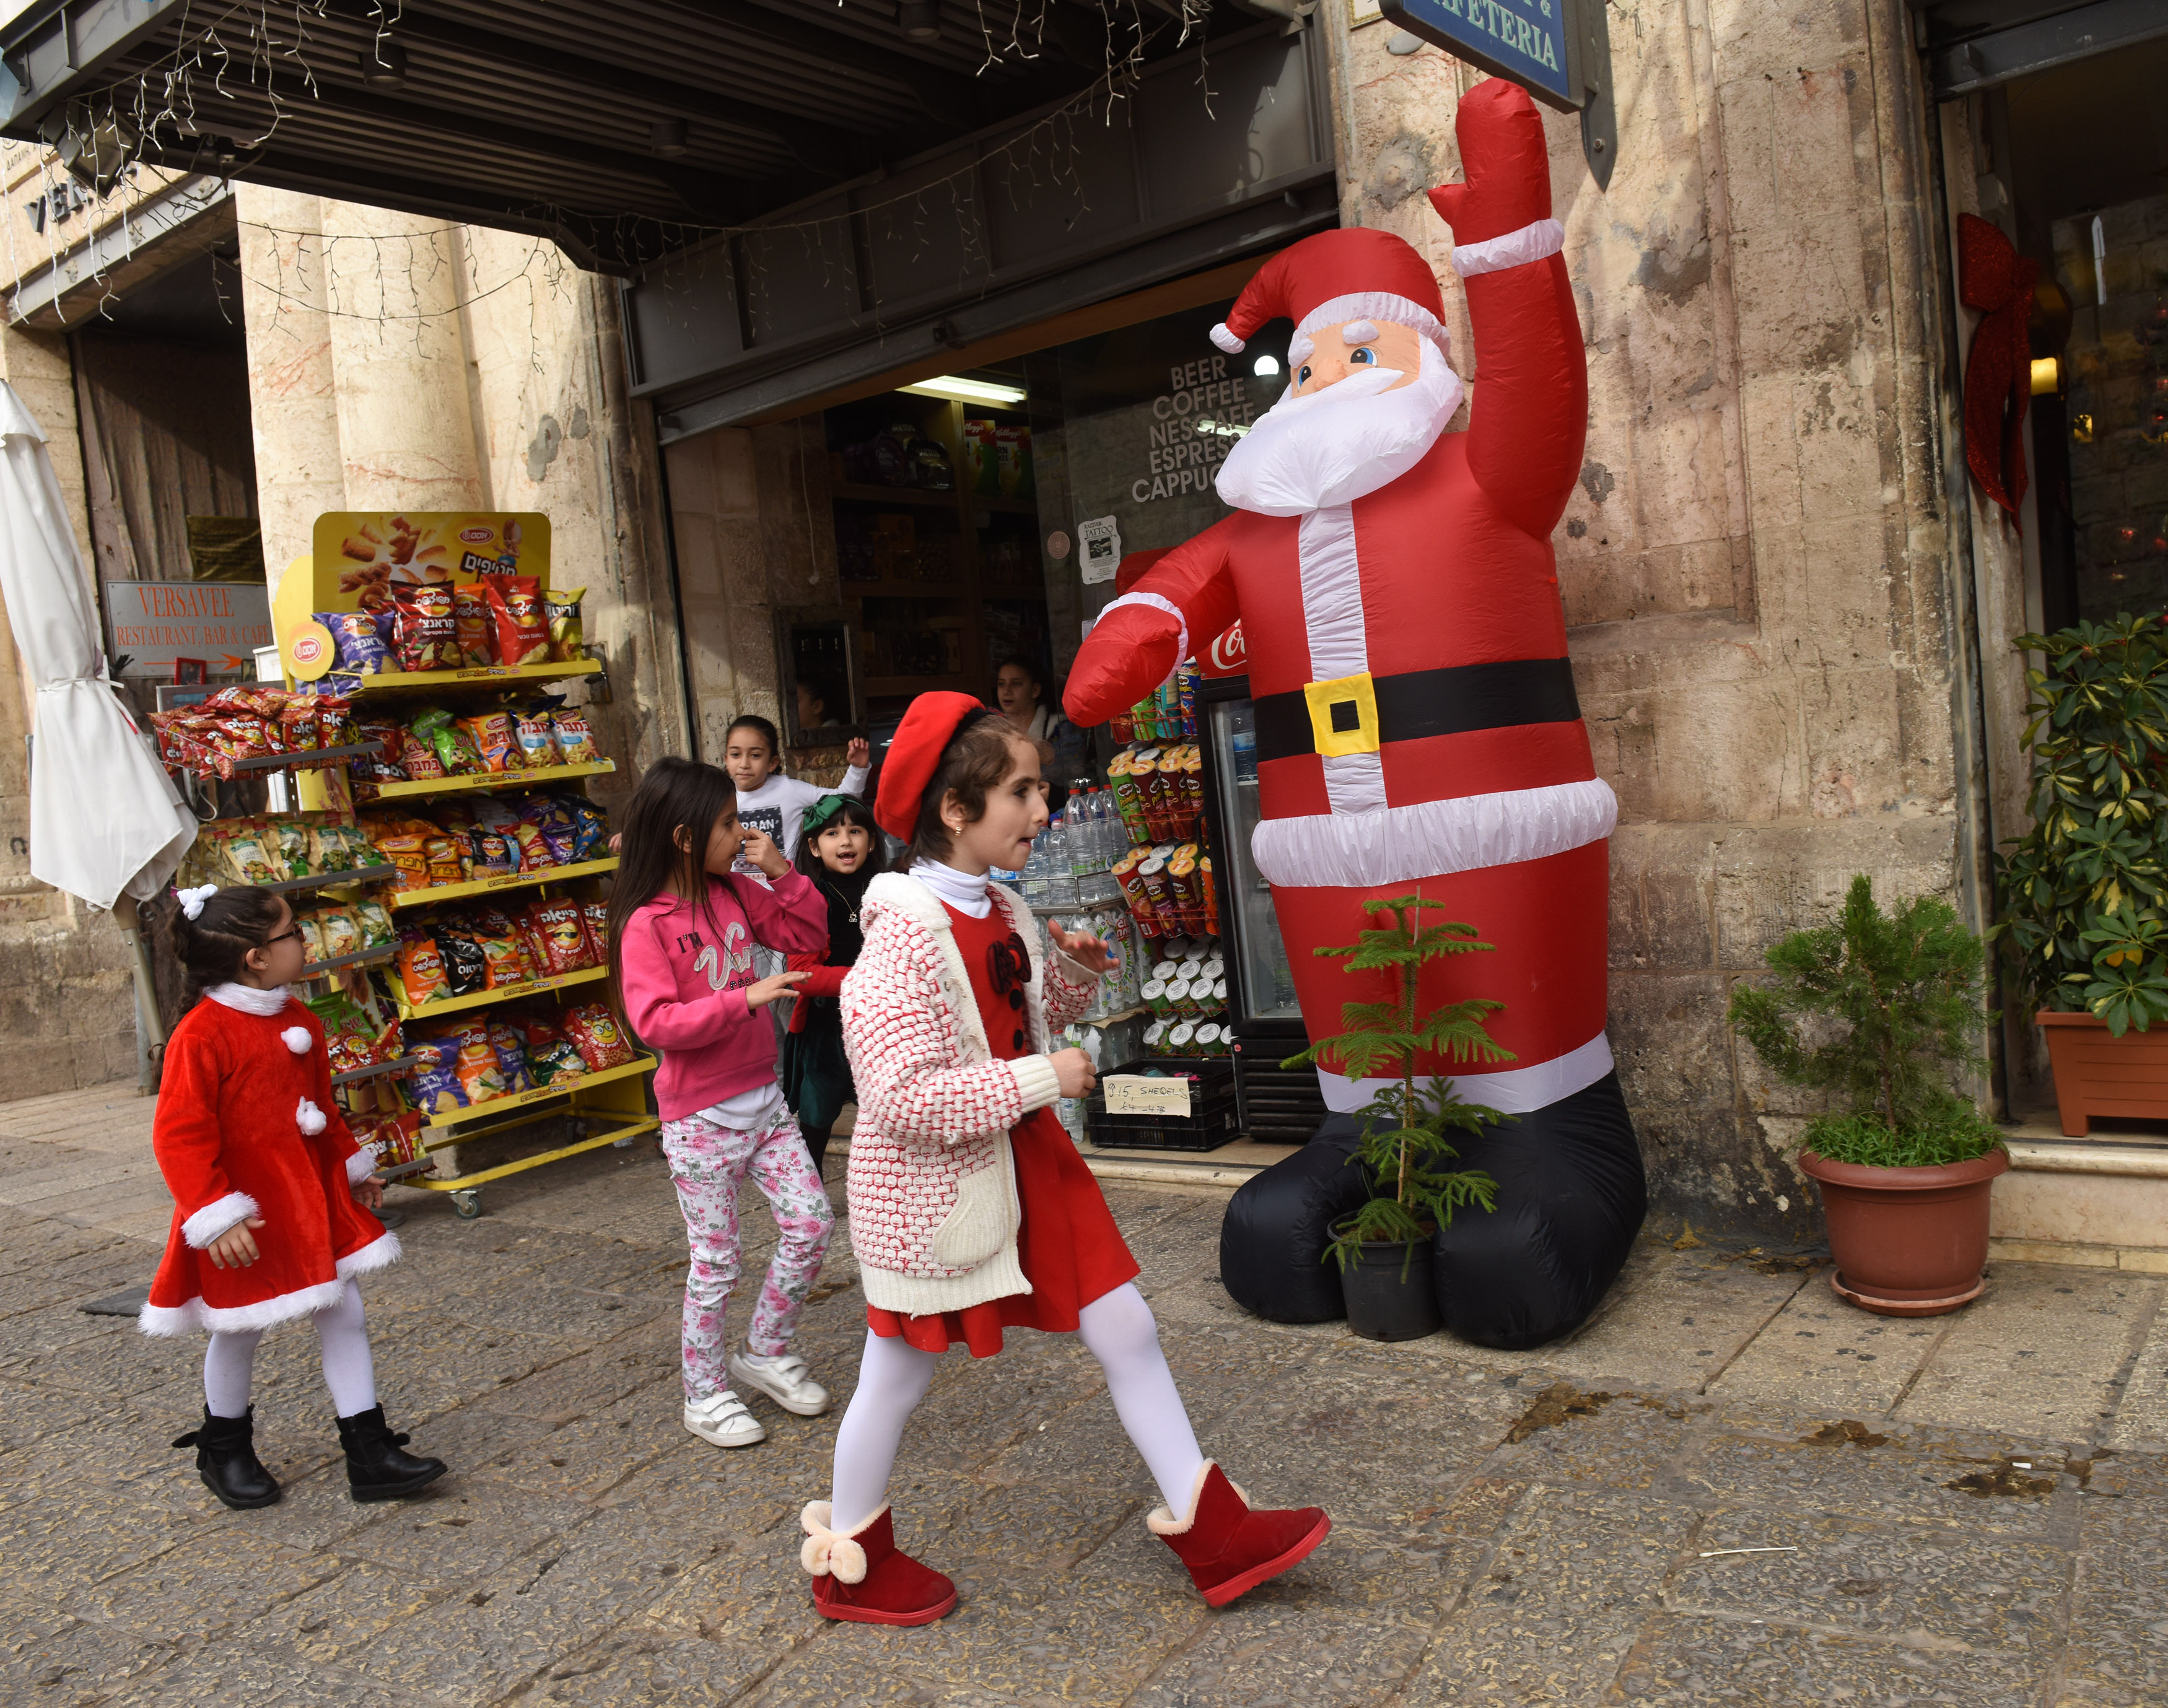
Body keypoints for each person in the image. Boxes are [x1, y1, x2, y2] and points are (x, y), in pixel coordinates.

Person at [1062, 81, 1647, 1350]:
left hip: (1491, 815)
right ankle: (1359, 1135)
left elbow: (1544, 383)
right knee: (1293, 1191)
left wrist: (1504, 239)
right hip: (1319, 832)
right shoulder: (1255, 521)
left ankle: (1554, 1138)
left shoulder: (1482, 473)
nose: (1327, 382)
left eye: (1358, 354)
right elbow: (1165, 597)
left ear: (1423, 361)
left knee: (1501, 1053)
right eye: (1311, 363)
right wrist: (1127, 632)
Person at [795, 692, 1330, 1625]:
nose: (1045, 812)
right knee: (898, 1368)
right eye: (1024, 792)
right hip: (937, 1190)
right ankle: (851, 1559)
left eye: (1042, 789)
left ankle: (1217, 1532)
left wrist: (1069, 975)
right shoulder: (897, 942)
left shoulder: (1000, 903)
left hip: (1026, 1159)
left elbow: (1031, 1025)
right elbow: (903, 1099)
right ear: (956, 811)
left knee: (1126, 1324)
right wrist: (1045, 1073)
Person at [142, 883, 446, 1510]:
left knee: (344, 1309)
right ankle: (223, 1446)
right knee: (240, 1327)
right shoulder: (200, 1035)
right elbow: (178, 1134)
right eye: (292, 932)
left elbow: (321, 1111)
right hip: (243, 1211)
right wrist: (215, 1212)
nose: (304, 940)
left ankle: (368, 1449)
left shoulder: (301, 1018)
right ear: (255, 956)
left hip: (308, 1199)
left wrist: (351, 1167)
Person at [609, 756, 837, 1449]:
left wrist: (783, 872)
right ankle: (702, 1394)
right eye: (728, 821)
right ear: (683, 836)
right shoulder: (646, 924)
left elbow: (807, 940)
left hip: (763, 1102)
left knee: (811, 1224)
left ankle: (766, 1351)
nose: (741, 832)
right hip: (698, 1119)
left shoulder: (736, 892)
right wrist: (742, 997)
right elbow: (655, 1024)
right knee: (716, 1262)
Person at [780, 791, 883, 1184]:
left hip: (882, 1020)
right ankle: (809, 1189)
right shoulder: (810, 897)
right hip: (829, 1023)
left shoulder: (887, 888)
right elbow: (802, 974)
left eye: (855, 831)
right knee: (818, 1114)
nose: (845, 842)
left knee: (886, 1104)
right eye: (832, 833)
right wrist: (869, 979)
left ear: (871, 841)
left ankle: (892, 1186)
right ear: (813, 845)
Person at [724, 713, 872, 865]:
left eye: (755, 755)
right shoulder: (720, 796)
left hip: (787, 886)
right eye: (735, 754)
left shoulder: (789, 790)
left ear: (772, 763)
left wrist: (857, 769)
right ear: (726, 759)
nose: (744, 764)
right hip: (736, 889)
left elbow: (844, 800)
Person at [991, 656, 1080, 777]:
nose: (1006, 691)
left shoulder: (1060, 728)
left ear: (1035, 690)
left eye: (1016, 684)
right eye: (1001, 684)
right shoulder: (993, 732)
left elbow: (1068, 775)